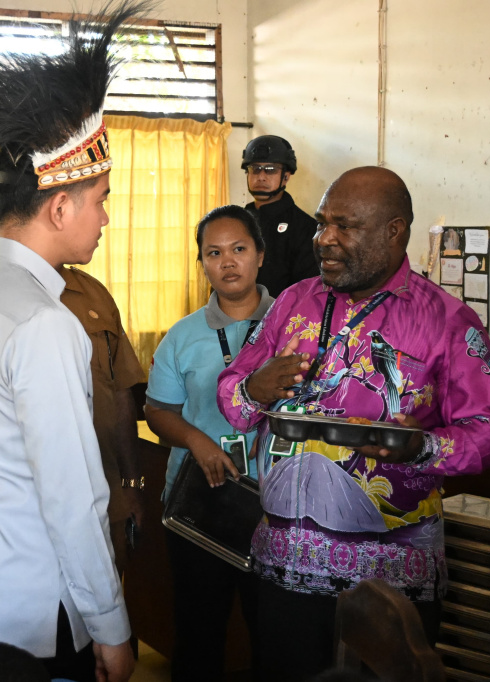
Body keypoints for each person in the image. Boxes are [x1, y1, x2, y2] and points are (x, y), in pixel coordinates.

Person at [216, 166, 490, 682]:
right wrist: (253, 388)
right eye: (320, 223)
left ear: (393, 231)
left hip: (389, 587)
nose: (324, 240)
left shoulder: (446, 321)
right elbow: (235, 398)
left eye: (344, 226)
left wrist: (424, 449)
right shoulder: (293, 302)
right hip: (285, 572)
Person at [0, 5, 147, 682]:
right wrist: (111, 625)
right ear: (59, 207)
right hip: (31, 609)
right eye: (101, 199)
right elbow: (73, 497)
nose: (106, 217)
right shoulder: (44, 323)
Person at [0, 265, 146, 575]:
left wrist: (131, 483)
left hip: (98, 500)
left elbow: (121, 393)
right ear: (54, 215)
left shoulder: (93, 293)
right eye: (91, 212)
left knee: (98, 611)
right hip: (6, 513)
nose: (102, 220)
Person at [144, 204, 272, 681]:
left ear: (260, 254)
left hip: (276, 506)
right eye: (213, 253)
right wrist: (196, 441)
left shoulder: (294, 326)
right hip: (200, 501)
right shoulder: (182, 336)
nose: (228, 262)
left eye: (239, 249)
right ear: (202, 263)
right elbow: (157, 411)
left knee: (275, 635)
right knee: (198, 635)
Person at [242, 135, 319, 297]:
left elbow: (307, 290)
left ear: (286, 176)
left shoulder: (305, 228)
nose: (261, 176)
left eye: (270, 170)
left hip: (282, 318)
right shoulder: (237, 221)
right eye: (255, 169)